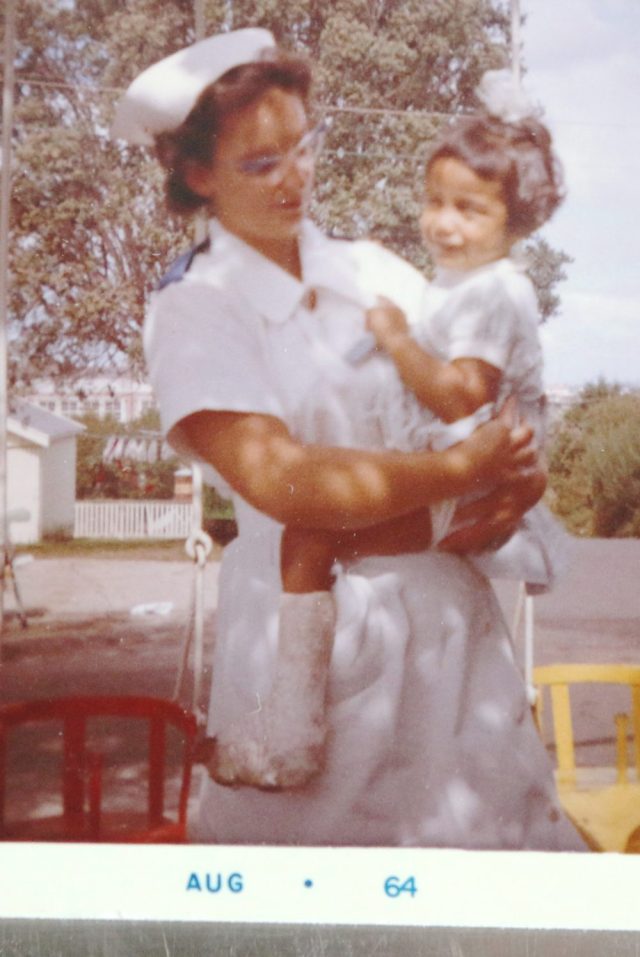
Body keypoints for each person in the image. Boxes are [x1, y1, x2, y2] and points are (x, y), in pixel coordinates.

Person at [112, 29, 586, 849]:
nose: (295, 176)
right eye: (262, 162)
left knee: (492, 866)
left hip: (452, 641)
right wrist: (458, 469)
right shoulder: (194, 308)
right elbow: (285, 480)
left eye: (303, 147)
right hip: (313, 639)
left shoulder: (372, 268)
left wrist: (518, 478)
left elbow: (481, 382)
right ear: (198, 174)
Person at [365, 69, 571, 589]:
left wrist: (396, 339)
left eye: (468, 209)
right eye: (434, 201)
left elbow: (462, 398)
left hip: (480, 474)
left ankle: (513, 537)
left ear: (515, 221)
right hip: (464, 466)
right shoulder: (462, 281)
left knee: (332, 543)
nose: (443, 222)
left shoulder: (493, 292)